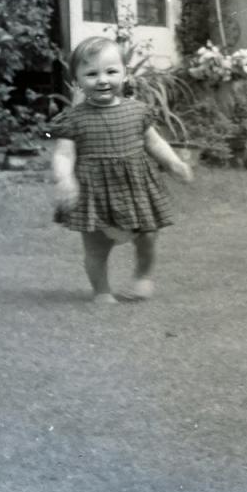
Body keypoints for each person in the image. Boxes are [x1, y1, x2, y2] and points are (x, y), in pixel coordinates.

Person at [50, 36, 193, 304]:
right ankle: (102, 291)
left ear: (125, 74)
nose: (102, 79)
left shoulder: (138, 111)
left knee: (148, 236)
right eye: (91, 74)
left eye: (111, 71)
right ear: (76, 80)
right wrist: (64, 178)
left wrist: (173, 163)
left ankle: (143, 277)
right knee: (96, 247)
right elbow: (63, 153)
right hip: (95, 191)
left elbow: (154, 142)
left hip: (136, 187)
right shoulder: (72, 118)